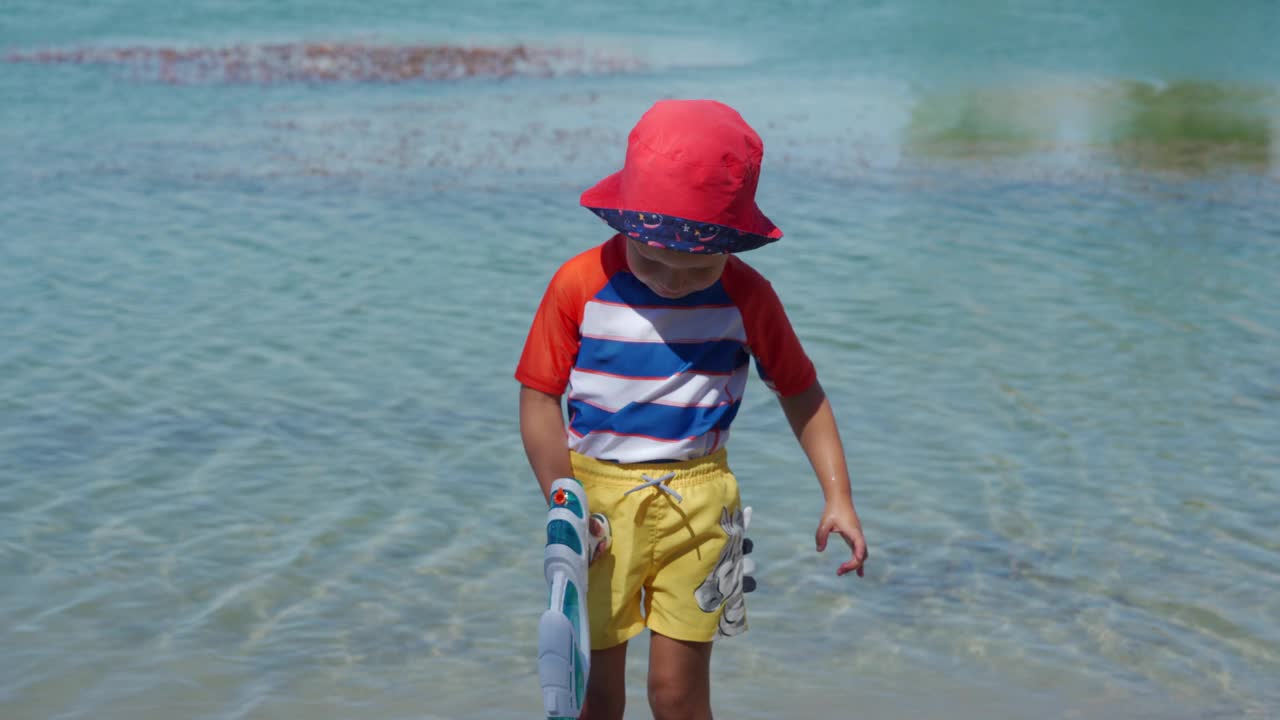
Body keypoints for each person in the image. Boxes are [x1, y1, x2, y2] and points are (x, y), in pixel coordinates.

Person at [516, 99, 868, 720]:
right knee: (593, 695)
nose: (672, 282)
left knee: (676, 696)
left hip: (701, 509)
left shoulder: (748, 296)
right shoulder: (579, 284)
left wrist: (837, 495)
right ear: (623, 223)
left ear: (732, 245)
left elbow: (800, 391)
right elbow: (539, 395)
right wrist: (563, 498)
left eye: (698, 267)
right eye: (651, 261)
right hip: (598, 510)